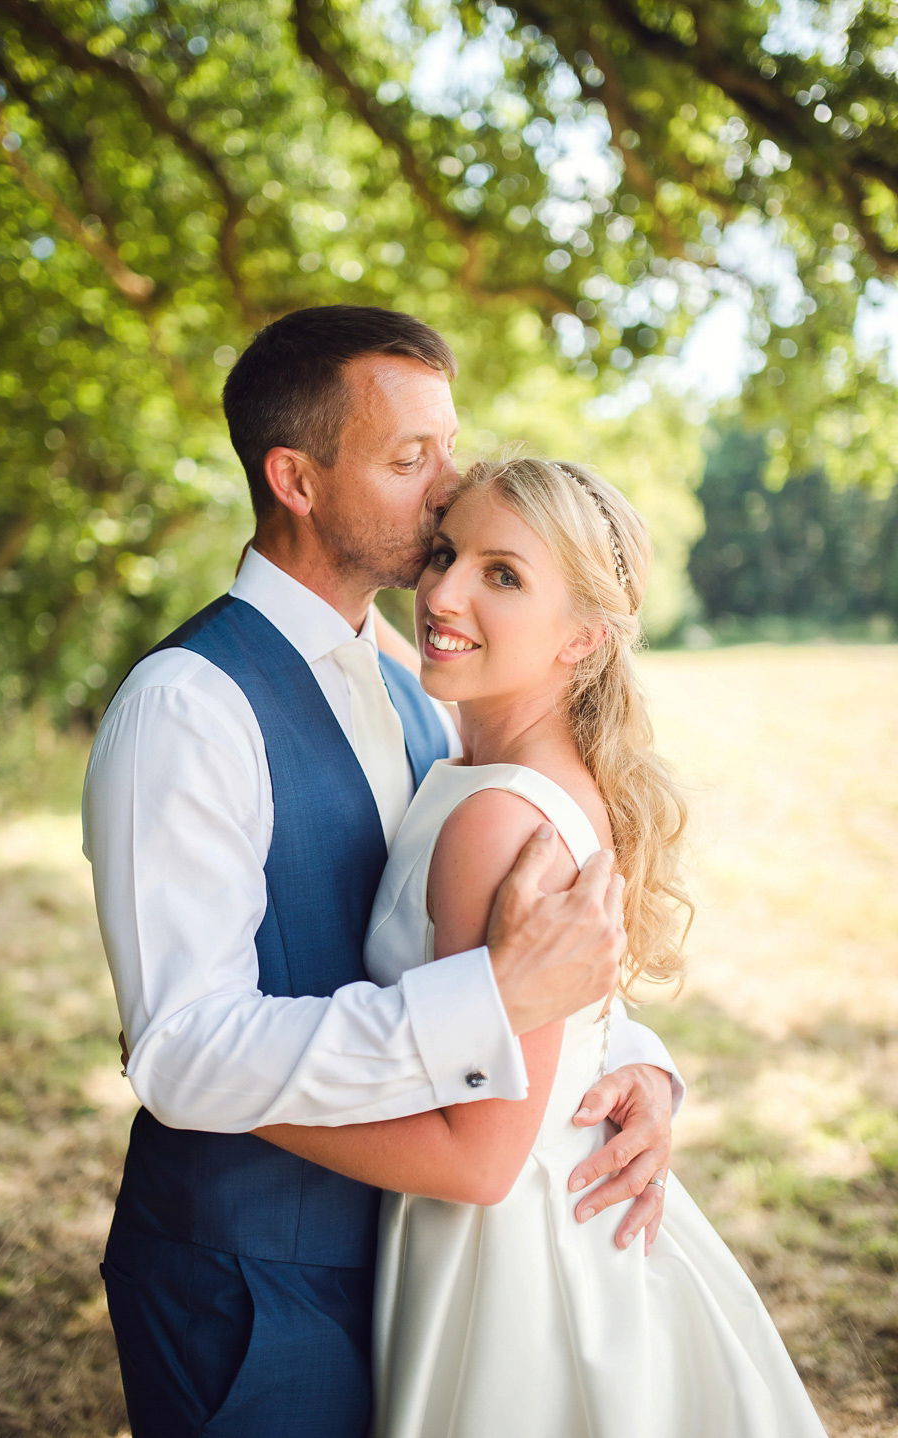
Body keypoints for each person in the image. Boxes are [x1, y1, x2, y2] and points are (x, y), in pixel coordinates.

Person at [83, 306, 683, 1438]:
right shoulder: (187, 707)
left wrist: (635, 1072)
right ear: (298, 480)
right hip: (249, 1285)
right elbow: (182, 1045)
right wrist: (497, 1003)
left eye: (445, 450)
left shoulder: (417, 685)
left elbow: (470, 929)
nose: (448, 487)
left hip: (415, 1264)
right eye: (412, 460)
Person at [256, 455, 827, 1437]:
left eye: (503, 575)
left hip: (512, 1257)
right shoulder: (489, 758)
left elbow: (480, 1160)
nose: (443, 589)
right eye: (444, 553)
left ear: (583, 639)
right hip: (538, 1210)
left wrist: (240, 1102)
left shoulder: (496, 819)